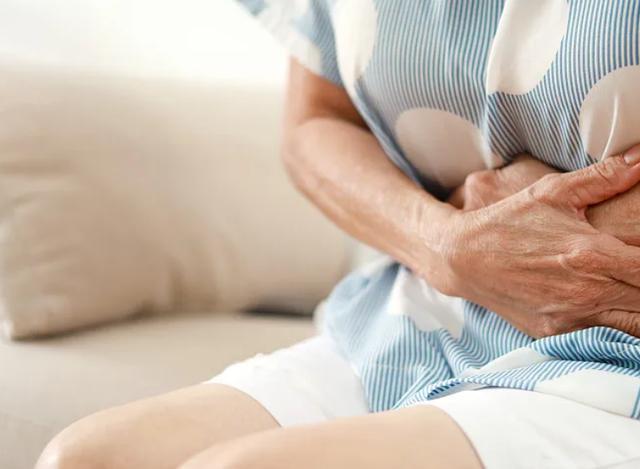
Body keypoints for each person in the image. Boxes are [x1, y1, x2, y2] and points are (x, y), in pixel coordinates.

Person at [38, 1, 640, 468]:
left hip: (621, 352)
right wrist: (444, 242)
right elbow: (317, 120)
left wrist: (517, 233)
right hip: (432, 313)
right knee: (86, 459)